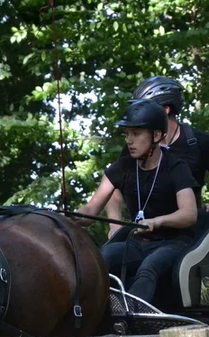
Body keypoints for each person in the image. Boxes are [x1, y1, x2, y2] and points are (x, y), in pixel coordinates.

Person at [72, 99, 198, 303]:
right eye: (127, 134)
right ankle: (91, 317)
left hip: (174, 243)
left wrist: (158, 221)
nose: (129, 140)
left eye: (136, 134)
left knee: (149, 266)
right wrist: (72, 217)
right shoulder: (122, 167)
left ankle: (134, 320)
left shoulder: (176, 168)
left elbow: (189, 214)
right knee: (101, 259)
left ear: (156, 135)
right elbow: (91, 209)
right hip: (138, 242)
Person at [105, 76, 209, 238]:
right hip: (144, 235)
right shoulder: (135, 148)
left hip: (186, 233)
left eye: (145, 106)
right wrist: (115, 226)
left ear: (166, 109)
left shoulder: (202, 142)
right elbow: (114, 190)